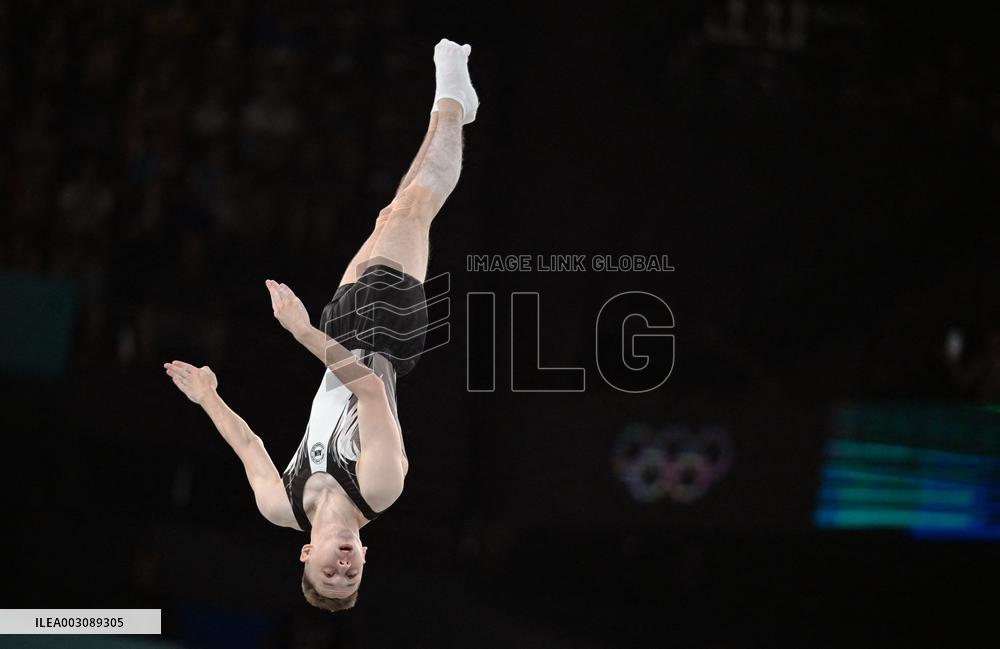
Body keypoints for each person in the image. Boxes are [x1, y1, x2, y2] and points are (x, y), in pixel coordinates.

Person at [163, 37, 478, 612]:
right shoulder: (381, 487)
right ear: (363, 562)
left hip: (337, 330)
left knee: (393, 210)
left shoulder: (279, 505)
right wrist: (301, 332)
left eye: (331, 576)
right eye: (351, 577)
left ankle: (453, 101)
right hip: (386, 334)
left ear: (305, 556)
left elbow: (248, 444)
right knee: (414, 209)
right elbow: (370, 389)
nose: (343, 567)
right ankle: (452, 92)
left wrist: (208, 397)